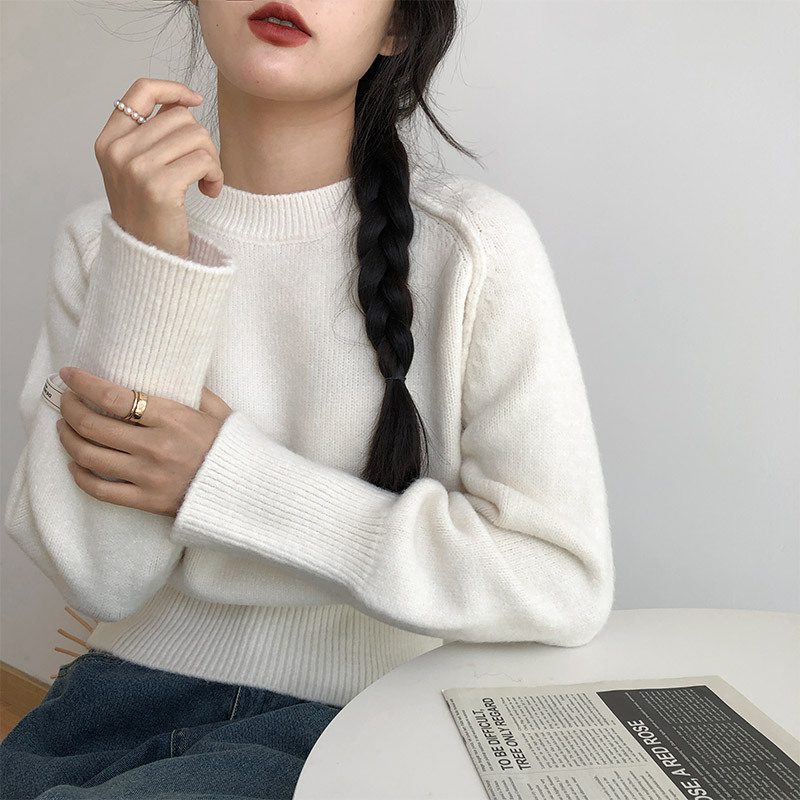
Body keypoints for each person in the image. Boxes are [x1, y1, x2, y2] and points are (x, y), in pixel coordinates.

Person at [0, 0, 615, 797]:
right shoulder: (103, 240)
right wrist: (149, 255)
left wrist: (227, 481)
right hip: (109, 706)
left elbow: (559, 582)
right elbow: (98, 578)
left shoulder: (472, 248)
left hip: (364, 721)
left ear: (396, 29)